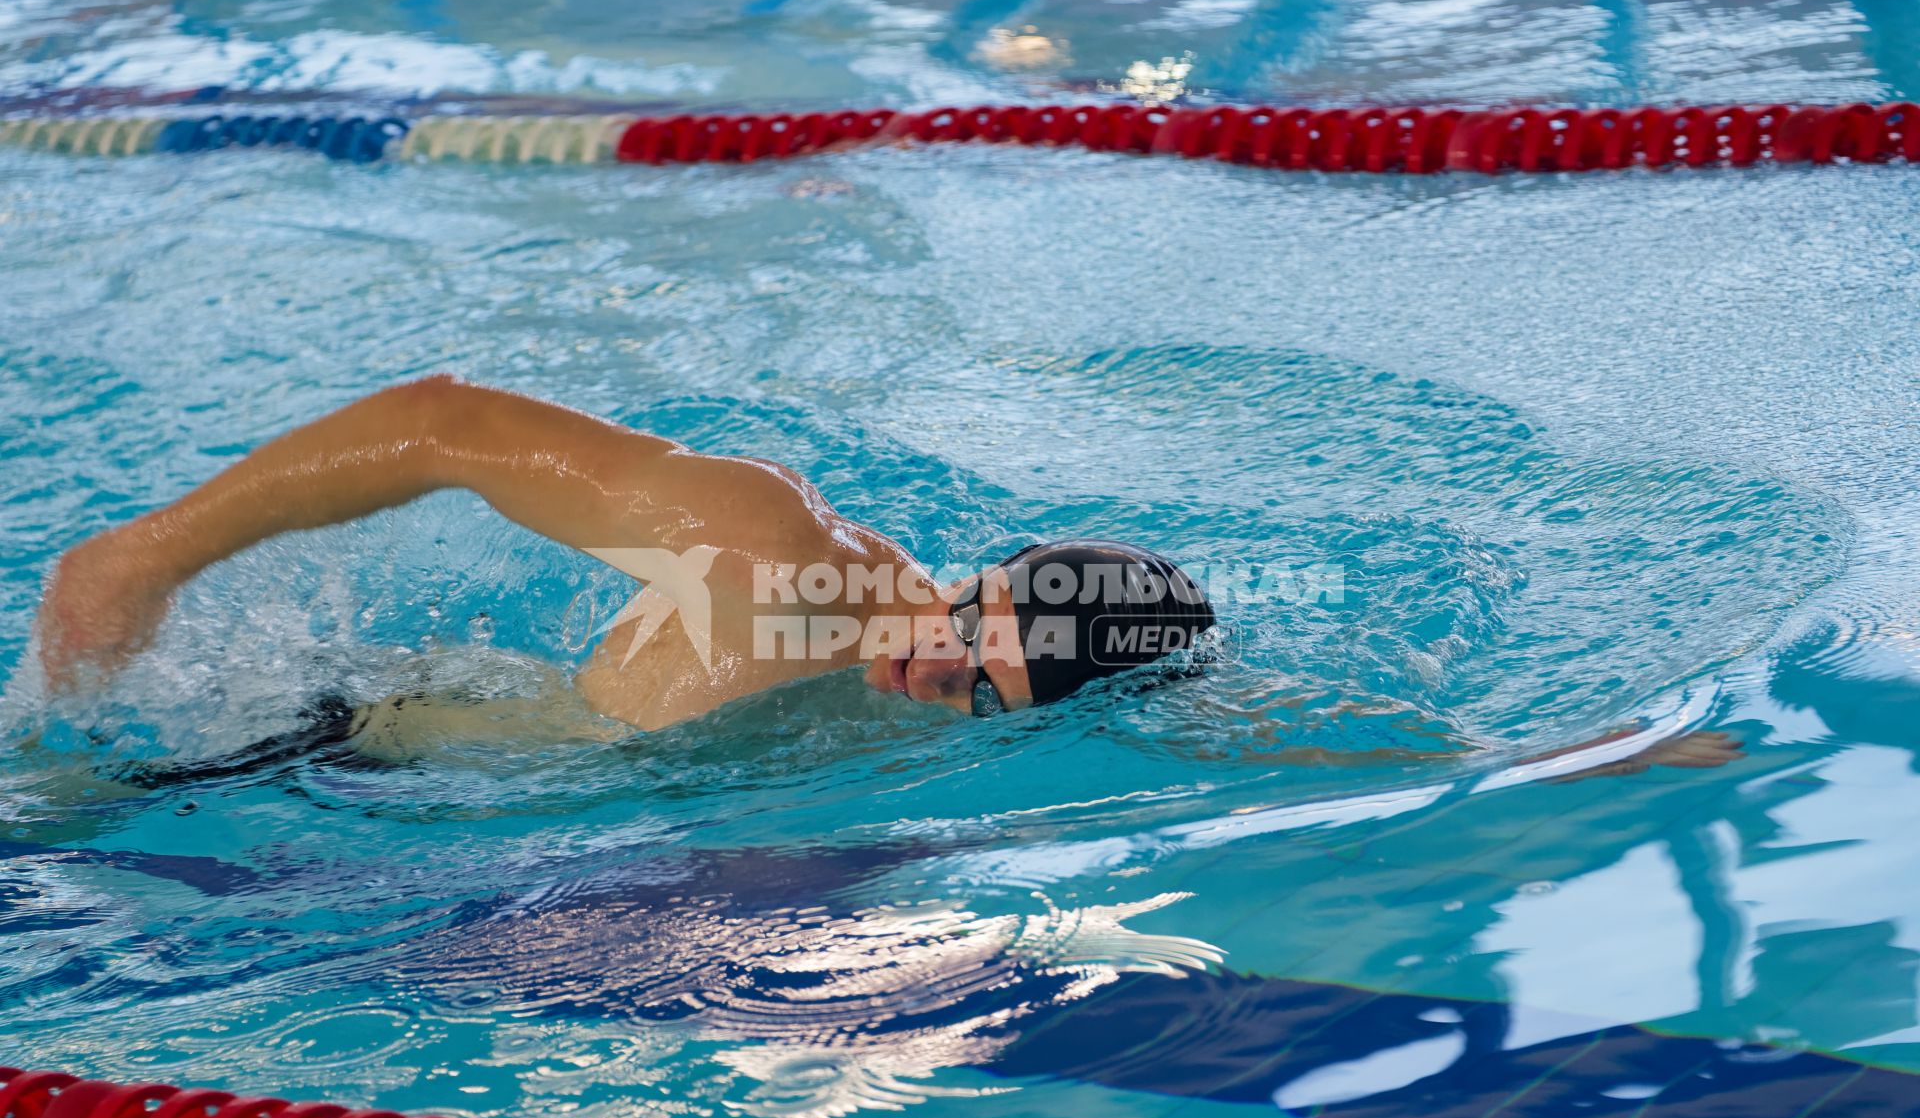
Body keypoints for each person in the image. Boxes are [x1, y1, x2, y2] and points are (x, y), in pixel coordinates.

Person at [35, 375, 1216, 742]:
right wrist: (150, 556)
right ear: (983, 574)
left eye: (977, 691)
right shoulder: (770, 557)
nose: (931, 670)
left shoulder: (891, 683)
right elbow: (455, 425)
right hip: (314, 749)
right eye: (963, 627)